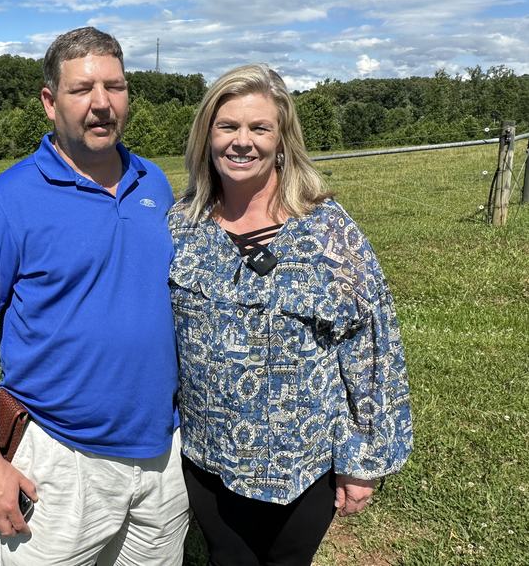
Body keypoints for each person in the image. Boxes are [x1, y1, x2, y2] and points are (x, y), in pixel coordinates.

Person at [0, 27, 189, 565]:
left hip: (162, 455)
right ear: (50, 102)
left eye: (115, 87)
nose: (102, 103)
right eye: (82, 89)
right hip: (57, 460)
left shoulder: (154, 184)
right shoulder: (9, 199)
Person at [169, 64, 413, 565]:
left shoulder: (326, 230)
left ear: (282, 140)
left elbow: (372, 348)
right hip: (208, 459)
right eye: (227, 126)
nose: (242, 141)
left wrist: (362, 460)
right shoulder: (180, 224)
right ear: (207, 137)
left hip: (303, 467)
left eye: (259, 128)